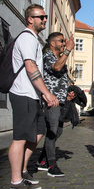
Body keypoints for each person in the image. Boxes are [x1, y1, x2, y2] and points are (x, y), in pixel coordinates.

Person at [8, 4, 59, 189]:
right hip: (22, 93)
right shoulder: (27, 38)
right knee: (20, 138)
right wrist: (47, 93)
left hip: (32, 95)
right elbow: (31, 68)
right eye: (41, 17)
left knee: (37, 132)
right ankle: (15, 181)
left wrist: (41, 95)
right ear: (30, 19)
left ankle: (22, 170)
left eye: (45, 16)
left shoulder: (34, 40)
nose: (45, 19)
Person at [34, 32, 75, 177]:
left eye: (65, 42)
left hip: (61, 100)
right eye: (62, 41)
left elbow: (60, 76)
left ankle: (42, 160)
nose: (64, 43)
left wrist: (68, 92)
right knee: (52, 131)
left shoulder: (58, 57)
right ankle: (52, 165)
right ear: (52, 43)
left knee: (58, 131)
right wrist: (68, 50)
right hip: (51, 100)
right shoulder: (47, 56)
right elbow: (56, 68)